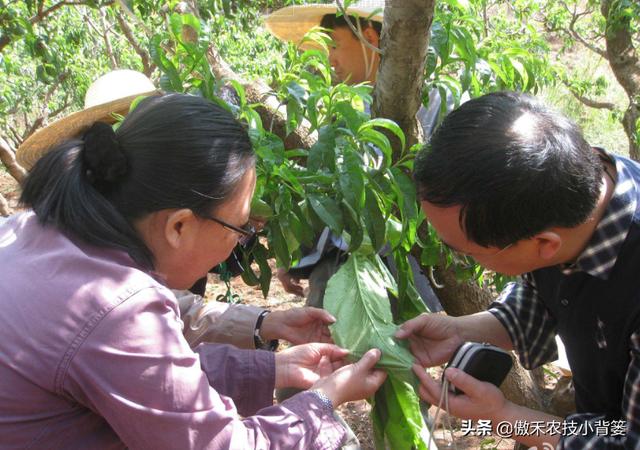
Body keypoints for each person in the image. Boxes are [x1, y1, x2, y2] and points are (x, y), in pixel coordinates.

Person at [0, 92, 388, 449]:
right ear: (179, 226)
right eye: (240, 228)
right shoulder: (117, 309)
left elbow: (144, 373)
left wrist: (275, 366)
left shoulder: (28, 231)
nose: (241, 241)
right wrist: (325, 399)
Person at [15, 69, 339, 353]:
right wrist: (321, 400)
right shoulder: (111, 302)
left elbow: (165, 313)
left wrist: (265, 325)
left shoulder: (50, 235)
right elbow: (144, 338)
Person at [397, 91, 640, 448]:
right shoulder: (566, 186)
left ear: (544, 243)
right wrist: (458, 331)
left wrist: (503, 416)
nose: (462, 258)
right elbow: (541, 290)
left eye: (467, 252)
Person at [265, 0, 444, 313]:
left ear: (370, 39)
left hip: (403, 267)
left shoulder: (432, 99)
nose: (329, 59)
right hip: (340, 270)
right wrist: (294, 253)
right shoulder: (345, 107)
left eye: (334, 46)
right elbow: (329, 193)